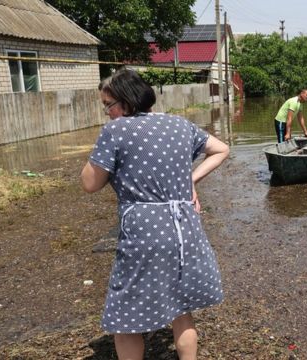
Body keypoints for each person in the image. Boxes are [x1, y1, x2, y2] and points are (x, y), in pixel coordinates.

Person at [80, 69, 229, 359]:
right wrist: (189, 181)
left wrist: (95, 155)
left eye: (108, 105)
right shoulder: (180, 124)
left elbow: (89, 183)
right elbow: (222, 149)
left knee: (126, 318)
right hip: (185, 227)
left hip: (146, 230)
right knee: (181, 306)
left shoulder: (115, 130)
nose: (107, 112)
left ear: (124, 101)